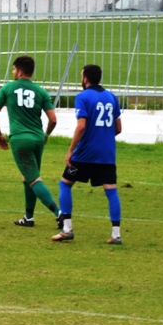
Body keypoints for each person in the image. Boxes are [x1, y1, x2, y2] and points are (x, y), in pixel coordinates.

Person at [52, 64, 123, 244]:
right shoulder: (111, 97)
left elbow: (81, 126)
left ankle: (67, 229)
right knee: (111, 191)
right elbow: (118, 128)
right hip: (107, 154)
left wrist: (70, 150)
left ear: (85, 78)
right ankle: (116, 235)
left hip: (85, 153)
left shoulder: (82, 97)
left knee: (65, 184)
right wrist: (102, 137)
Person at [0, 55, 60, 227]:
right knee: (29, 176)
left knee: (33, 179)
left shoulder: (8, 88)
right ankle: (29, 217)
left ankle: (60, 214)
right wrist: (46, 135)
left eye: (14, 69)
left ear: (20, 72)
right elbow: (53, 120)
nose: (13, 72)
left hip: (20, 139)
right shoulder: (41, 92)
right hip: (37, 139)